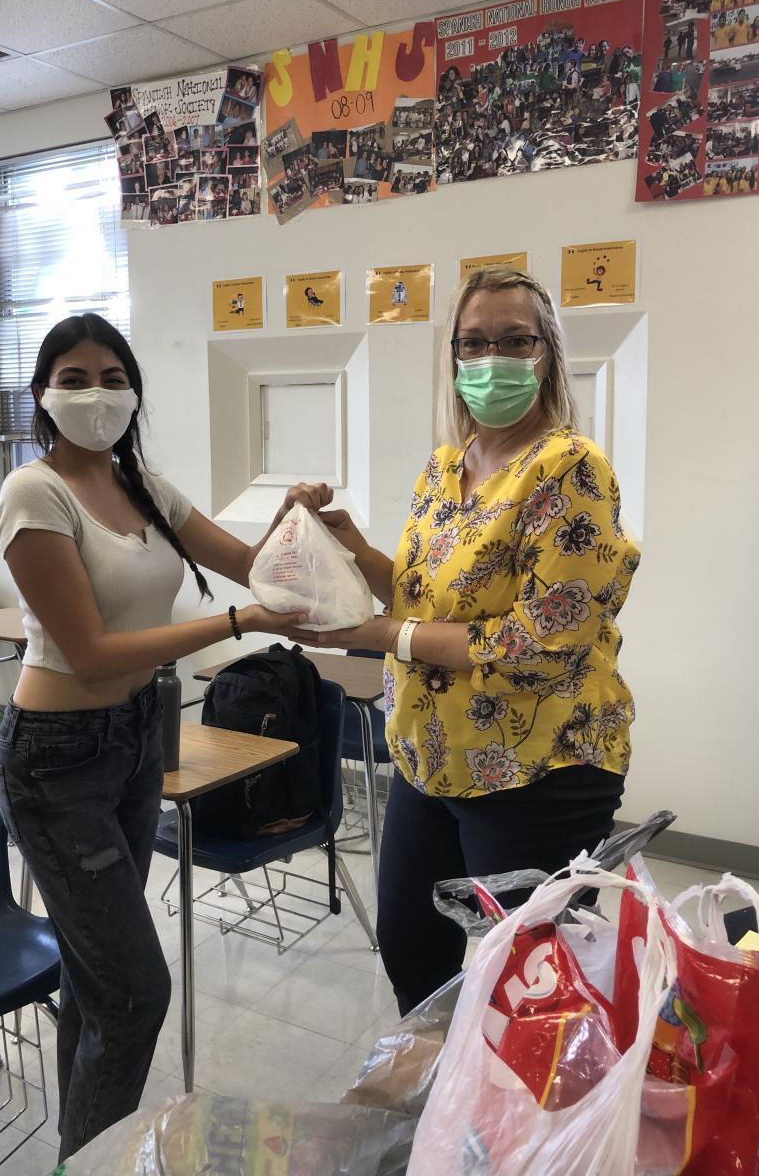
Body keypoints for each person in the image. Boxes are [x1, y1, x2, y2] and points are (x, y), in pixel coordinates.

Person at [0, 314, 317, 1159]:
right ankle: (95, 1160)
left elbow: (251, 565)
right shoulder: (33, 492)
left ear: (134, 392)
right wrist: (238, 623)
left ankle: (78, 1153)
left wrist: (291, 520)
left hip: (137, 736)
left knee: (96, 977)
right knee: (136, 992)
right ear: (41, 393)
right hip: (57, 759)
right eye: (73, 379)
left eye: (112, 378)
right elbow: (92, 654)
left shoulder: (146, 488)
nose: (95, 395)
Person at [294, 267, 640, 1014]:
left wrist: (385, 634)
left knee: (534, 992)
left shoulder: (569, 468)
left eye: (515, 340)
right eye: (473, 343)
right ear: (453, 357)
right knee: (411, 952)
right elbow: (419, 594)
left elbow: (539, 640)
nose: (492, 359)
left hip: (537, 771)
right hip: (429, 758)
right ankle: (441, 1085)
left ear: (547, 353)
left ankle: (523, 1097)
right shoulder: (446, 466)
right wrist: (347, 543)